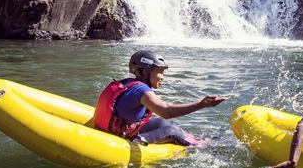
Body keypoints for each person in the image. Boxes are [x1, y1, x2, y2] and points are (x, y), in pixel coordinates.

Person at [94, 50, 226, 146]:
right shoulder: (141, 90)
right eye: (160, 72)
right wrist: (201, 104)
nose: (162, 77)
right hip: (119, 138)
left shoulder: (128, 83)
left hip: (113, 129)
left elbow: (165, 118)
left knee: (165, 123)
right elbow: (166, 112)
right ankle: (202, 146)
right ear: (145, 71)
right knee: (172, 130)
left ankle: (195, 137)